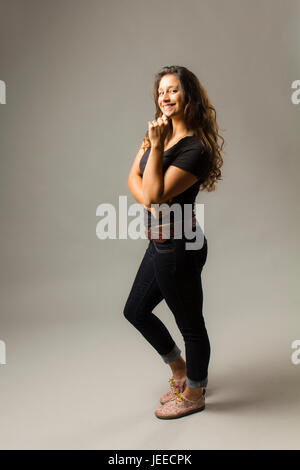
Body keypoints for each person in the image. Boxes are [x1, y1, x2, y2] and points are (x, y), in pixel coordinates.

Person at [124, 65, 224, 419]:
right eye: (161, 91)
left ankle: (195, 391)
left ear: (189, 96)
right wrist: (151, 190)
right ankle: (181, 370)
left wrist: (152, 154)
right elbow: (135, 182)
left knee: (191, 324)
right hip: (160, 242)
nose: (165, 97)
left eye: (173, 90)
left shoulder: (195, 148)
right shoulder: (160, 136)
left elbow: (150, 192)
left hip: (181, 246)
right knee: (135, 311)